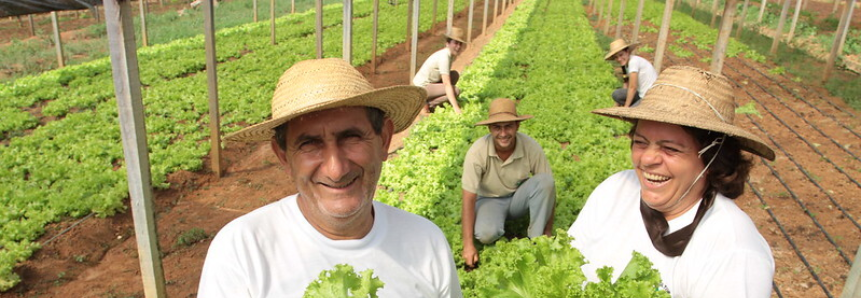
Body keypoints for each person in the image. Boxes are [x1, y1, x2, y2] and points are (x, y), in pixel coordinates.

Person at [198, 58, 463, 297]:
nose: (336, 169)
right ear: (283, 156)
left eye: (351, 137)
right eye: (309, 144)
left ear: (383, 140)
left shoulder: (427, 242)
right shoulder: (242, 251)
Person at [568, 66, 776, 297]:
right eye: (640, 142)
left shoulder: (733, 251)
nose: (647, 159)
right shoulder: (615, 190)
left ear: (713, 158)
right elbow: (568, 265)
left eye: (670, 149)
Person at [461, 98, 556, 268]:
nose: (503, 133)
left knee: (546, 180)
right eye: (497, 127)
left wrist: (547, 231)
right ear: (489, 128)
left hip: (518, 198)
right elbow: (468, 197)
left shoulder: (530, 146)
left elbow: (548, 188)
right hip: (490, 200)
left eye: (508, 126)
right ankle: (496, 223)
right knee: (486, 234)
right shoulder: (477, 152)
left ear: (517, 126)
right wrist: (468, 245)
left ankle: (537, 239)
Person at [413, 27, 467, 114]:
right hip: (421, 88)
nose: (458, 46)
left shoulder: (448, 55)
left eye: (460, 44)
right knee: (455, 90)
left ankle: (431, 101)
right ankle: (427, 104)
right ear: (447, 43)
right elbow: (446, 83)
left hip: (429, 84)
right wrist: (456, 107)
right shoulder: (444, 57)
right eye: (456, 43)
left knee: (454, 75)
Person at [605, 38, 657, 107]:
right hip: (640, 93)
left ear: (627, 52)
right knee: (617, 94)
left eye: (621, 55)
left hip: (649, 96)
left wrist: (626, 108)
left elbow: (633, 87)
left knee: (630, 114)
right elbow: (626, 84)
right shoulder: (627, 64)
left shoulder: (633, 62)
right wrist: (616, 105)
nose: (619, 59)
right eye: (616, 57)